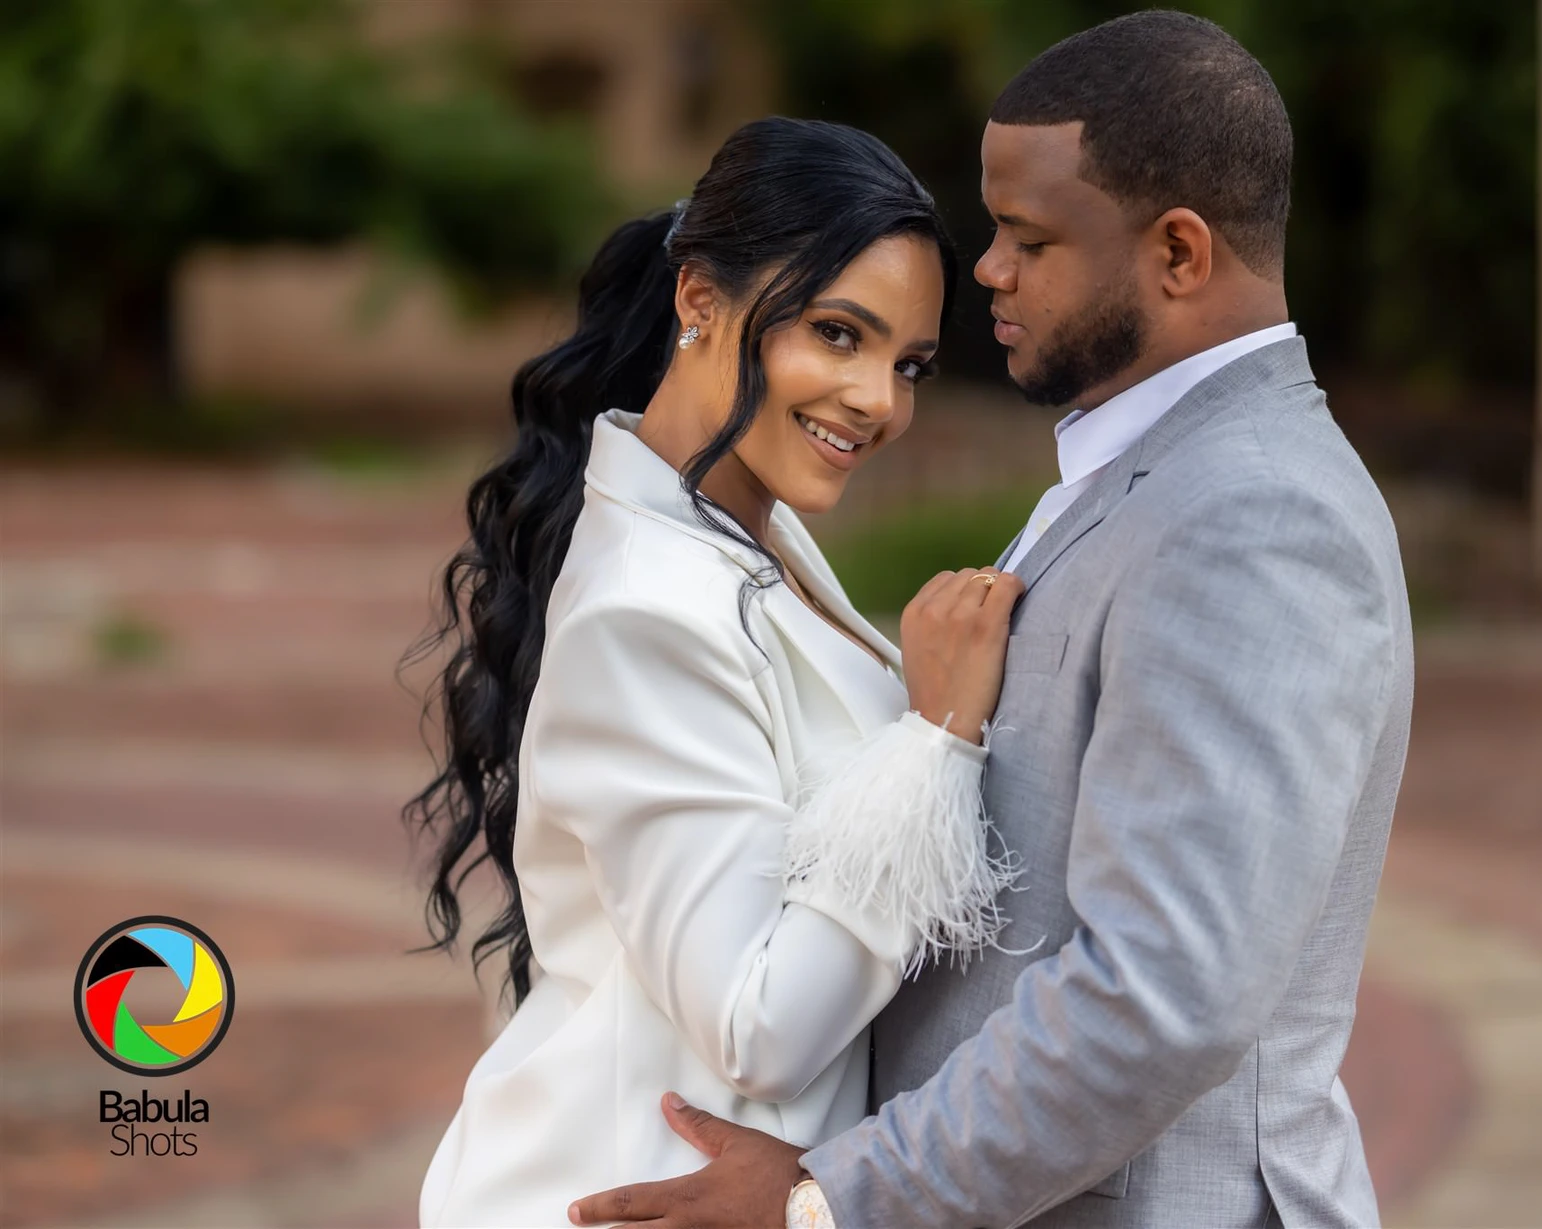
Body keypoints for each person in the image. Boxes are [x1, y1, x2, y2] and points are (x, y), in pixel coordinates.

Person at [568, 11, 1415, 1229]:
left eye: (1027, 238)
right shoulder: (1151, 466)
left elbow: (1164, 991)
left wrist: (828, 1197)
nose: (988, 272)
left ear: (1177, 254)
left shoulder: (1255, 513)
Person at [409, 116, 1027, 1228]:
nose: (879, 400)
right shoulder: (646, 605)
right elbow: (761, 1023)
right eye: (838, 334)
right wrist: (935, 742)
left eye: (908, 363)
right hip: (634, 1185)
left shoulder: (745, 532)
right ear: (700, 298)